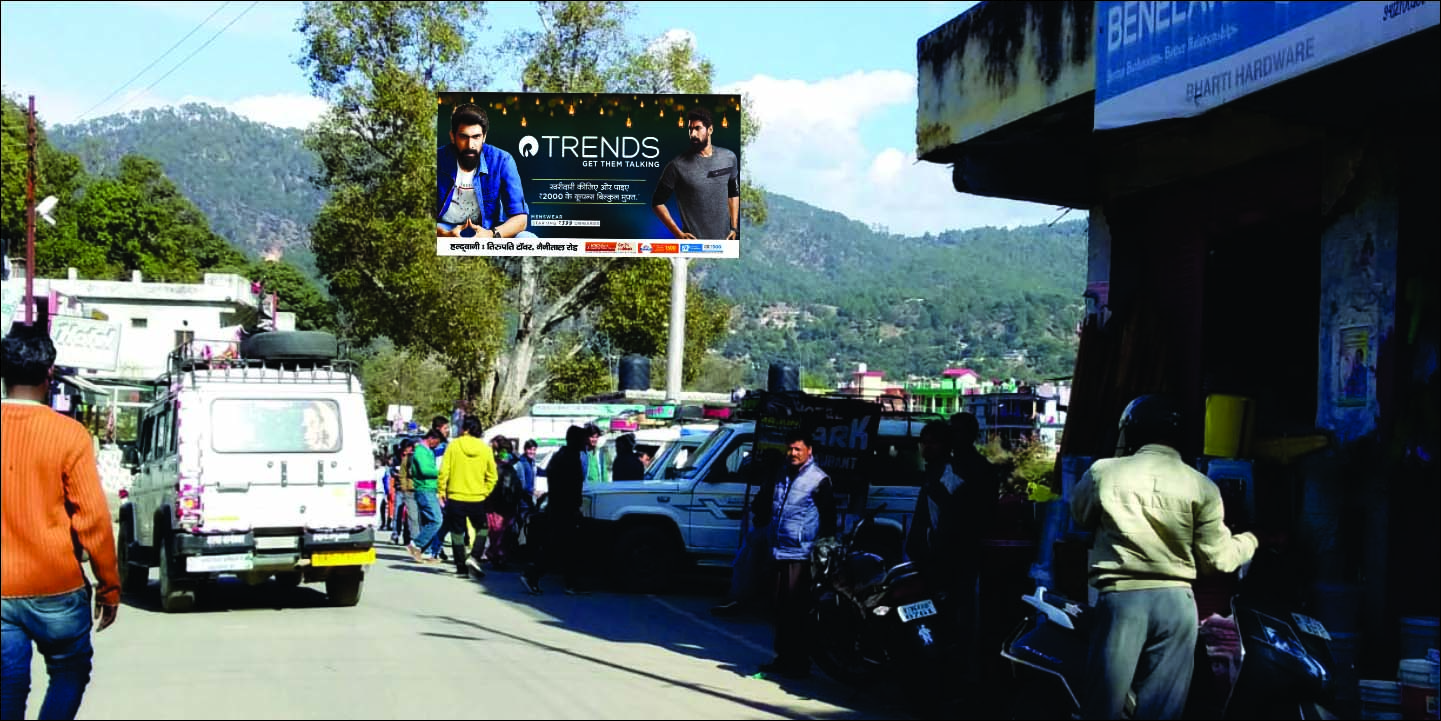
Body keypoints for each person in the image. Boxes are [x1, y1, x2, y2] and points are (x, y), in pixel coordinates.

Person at [1071, 394, 1260, 720]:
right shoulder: (1202, 486)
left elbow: (1079, 517)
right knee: (1162, 713)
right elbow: (1218, 559)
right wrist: (1250, 541)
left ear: (1130, 431)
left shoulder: (1104, 472)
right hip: (1177, 605)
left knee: (1102, 708)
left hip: (1122, 601)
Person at [1, 326, 119, 720]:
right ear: (49, 374)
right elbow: (94, 518)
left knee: (8, 681)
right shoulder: (69, 435)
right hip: (57, 587)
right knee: (69, 672)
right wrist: (109, 586)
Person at [756, 431, 836, 680]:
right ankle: (783, 658)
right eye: (789, 449)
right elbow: (767, 504)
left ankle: (799, 662)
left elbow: (829, 519)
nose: (792, 453)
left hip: (802, 554)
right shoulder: (781, 474)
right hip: (778, 551)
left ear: (809, 450)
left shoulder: (818, 479)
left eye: (797, 449)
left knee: (797, 610)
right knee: (779, 608)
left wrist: (821, 550)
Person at [436, 103, 533, 239]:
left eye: (476, 137)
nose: (470, 145)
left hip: (487, 229)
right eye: (464, 137)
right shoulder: (436, 159)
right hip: (444, 227)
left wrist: (491, 234)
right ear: (453, 136)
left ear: (484, 137)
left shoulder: (502, 160)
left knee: (527, 239)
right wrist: (444, 234)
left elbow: (520, 219)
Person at [651, 107, 740, 242]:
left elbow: (733, 193)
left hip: (726, 242)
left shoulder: (729, 157)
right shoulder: (677, 166)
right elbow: (657, 202)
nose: (692, 134)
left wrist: (734, 228)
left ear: (710, 130)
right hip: (695, 246)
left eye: (697, 128)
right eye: (690, 129)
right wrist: (678, 234)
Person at [521, 426, 589, 596]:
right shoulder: (569, 458)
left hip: (559, 507)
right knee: (558, 546)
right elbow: (570, 486)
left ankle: (570, 582)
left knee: (565, 547)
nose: (585, 442)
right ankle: (534, 574)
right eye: (582, 439)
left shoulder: (561, 456)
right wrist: (574, 506)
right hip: (564, 509)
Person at [436, 416, 498, 579]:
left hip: (456, 496)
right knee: (482, 528)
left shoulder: (454, 445)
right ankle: (475, 556)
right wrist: (485, 491)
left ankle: (461, 568)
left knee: (457, 532)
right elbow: (493, 475)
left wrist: (441, 490)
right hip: (477, 498)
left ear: (465, 429)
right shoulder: (485, 449)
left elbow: (444, 471)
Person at [406, 429, 446, 564]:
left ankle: (425, 552)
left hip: (429, 488)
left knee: (429, 520)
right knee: (437, 520)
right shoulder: (420, 451)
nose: (437, 445)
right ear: (431, 438)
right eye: (437, 442)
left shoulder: (428, 451)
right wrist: (441, 472)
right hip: (424, 489)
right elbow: (424, 470)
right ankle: (416, 544)